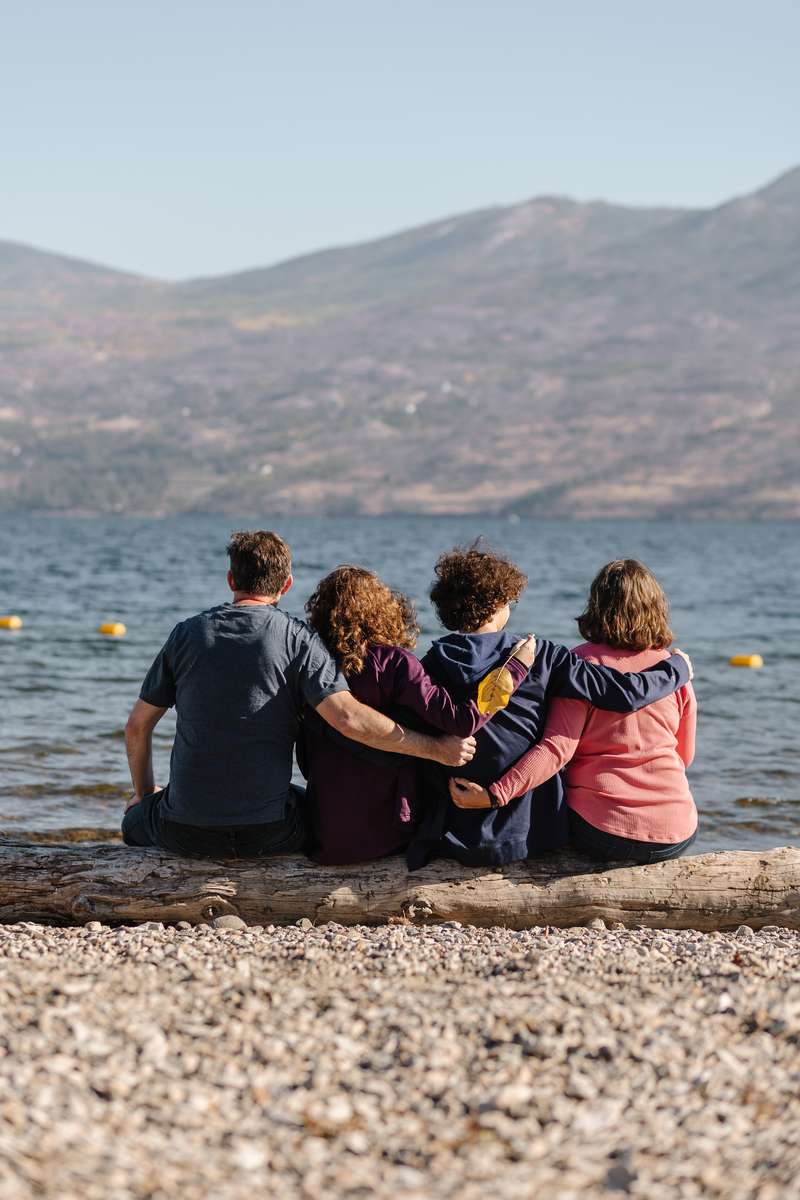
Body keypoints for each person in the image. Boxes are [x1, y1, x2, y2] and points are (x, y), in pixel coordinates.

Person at [122, 531, 476, 858]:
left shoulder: (185, 635)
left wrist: (144, 793)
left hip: (185, 831)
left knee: (134, 819)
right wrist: (435, 749)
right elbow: (349, 719)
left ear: (231, 580)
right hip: (270, 832)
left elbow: (137, 727)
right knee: (306, 807)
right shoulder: (298, 639)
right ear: (287, 585)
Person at [406, 542, 693, 869]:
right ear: (500, 603)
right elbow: (624, 694)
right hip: (529, 834)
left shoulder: (426, 665)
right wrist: (677, 669)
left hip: (456, 824)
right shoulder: (542, 656)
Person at [299, 565, 537, 864]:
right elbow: (462, 721)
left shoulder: (313, 667)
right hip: (390, 832)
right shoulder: (395, 664)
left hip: (327, 829)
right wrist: (514, 668)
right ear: (381, 609)